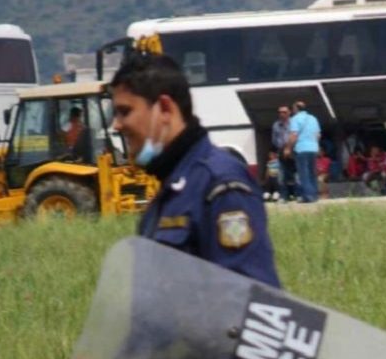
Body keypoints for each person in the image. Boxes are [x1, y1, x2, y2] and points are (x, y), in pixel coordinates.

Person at [110, 54, 280, 287]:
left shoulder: (221, 185)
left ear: (165, 109)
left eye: (125, 111)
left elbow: (249, 299)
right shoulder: (172, 188)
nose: (116, 124)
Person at [284, 101, 321, 203]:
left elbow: (294, 135)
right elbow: (317, 135)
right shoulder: (313, 118)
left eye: (293, 108)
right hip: (313, 148)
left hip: (301, 149)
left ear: (296, 109)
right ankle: (315, 195)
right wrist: (315, 145)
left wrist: (288, 148)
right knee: (312, 173)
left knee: (303, 174)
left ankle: (308, 196)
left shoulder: (295, 119)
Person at [272, 105, 296, 202]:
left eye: (284, 112)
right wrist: (280, 148)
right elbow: (274, 140)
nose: (282, 114)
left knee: (295, 174)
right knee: (281, 176)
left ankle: (296, 194)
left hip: (294, 151)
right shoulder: (276, 125)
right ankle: (283, 196)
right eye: (280, 112)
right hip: (281, 151)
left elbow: (296, 136)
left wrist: (289, 147)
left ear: (289, 112)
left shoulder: (294, 123)